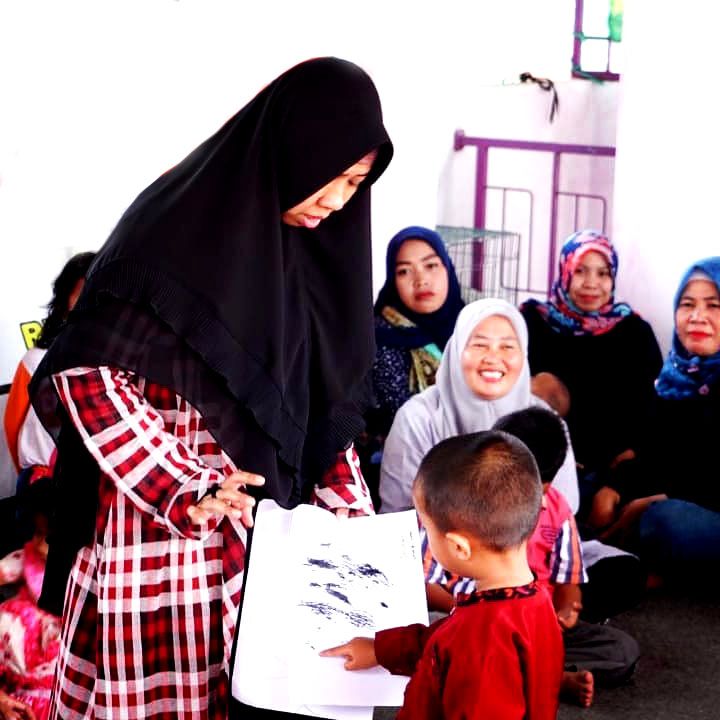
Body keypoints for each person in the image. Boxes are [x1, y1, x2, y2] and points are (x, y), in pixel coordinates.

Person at [27, 57, 393, 720]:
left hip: (264, 550)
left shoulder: (313, 263)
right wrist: (186, 484)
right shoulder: (168, 232)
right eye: (334, 178)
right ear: (295, 148)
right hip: (159, 544)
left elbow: (321, 409)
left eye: (356, 184)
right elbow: (90, 374)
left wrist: (354, 525)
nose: (339, 202)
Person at [321, 430, 564, 720]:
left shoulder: (482, 642)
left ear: (458, 547)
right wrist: (381, 650)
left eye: (427, 527)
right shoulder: (533, 600)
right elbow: (444, 635)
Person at [424, 407, 640, 707]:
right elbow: (428, 586)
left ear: (547, 486)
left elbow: (569, 581)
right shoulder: (459, 506)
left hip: (533, 629)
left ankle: (536, 673)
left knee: (621, 650)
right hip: (466, 625)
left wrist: (566, 610)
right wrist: (469, 612)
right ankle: (549, 678)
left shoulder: (557, 510)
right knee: (429, 635)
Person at [378, 297, 579, 515]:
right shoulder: (418, 418)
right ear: (456, 350)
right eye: (479, 345)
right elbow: (398, 515)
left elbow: (563, 512)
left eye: (508, 346)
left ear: (524, 356)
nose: (493, 358)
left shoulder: (545, 422)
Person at [519, 229, 663, 524]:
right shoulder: (534, 323)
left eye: (602, 273)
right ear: (565, 271)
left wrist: (616, 483)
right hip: (543, 466)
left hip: (611, 470)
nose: (591, 283)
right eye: (581, 271)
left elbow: (648, 417)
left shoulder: (634, 332)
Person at [597, 257, 720, 583]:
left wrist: (660, 498)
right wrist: (614, 486)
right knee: (597, 493)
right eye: (687, 304)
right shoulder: (675, 378)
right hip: (686, 496)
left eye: (713, 306)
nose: (697, 317)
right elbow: (660, 455)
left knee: (663, 522)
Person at [359, 226, 465, 507]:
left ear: (447, 268)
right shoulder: (380, 337)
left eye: (430, 266)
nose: (421, 280)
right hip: (407, 477)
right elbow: (401, 414)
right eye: (404, 271)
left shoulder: (471, 329)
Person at [3, 252, 96, 549]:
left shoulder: (116, 363)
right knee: (36, 566)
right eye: (81, 294)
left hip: (92, 493)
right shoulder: (35, 361)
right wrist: (34, 477)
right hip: (41, 487)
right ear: (63, 301)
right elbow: (13, 427)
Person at [0, 477, 60, 720]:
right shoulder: (24, 560)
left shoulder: (91, 582)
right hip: (19, 700)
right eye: (38, 533)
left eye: (49, 536)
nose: (41, 545)